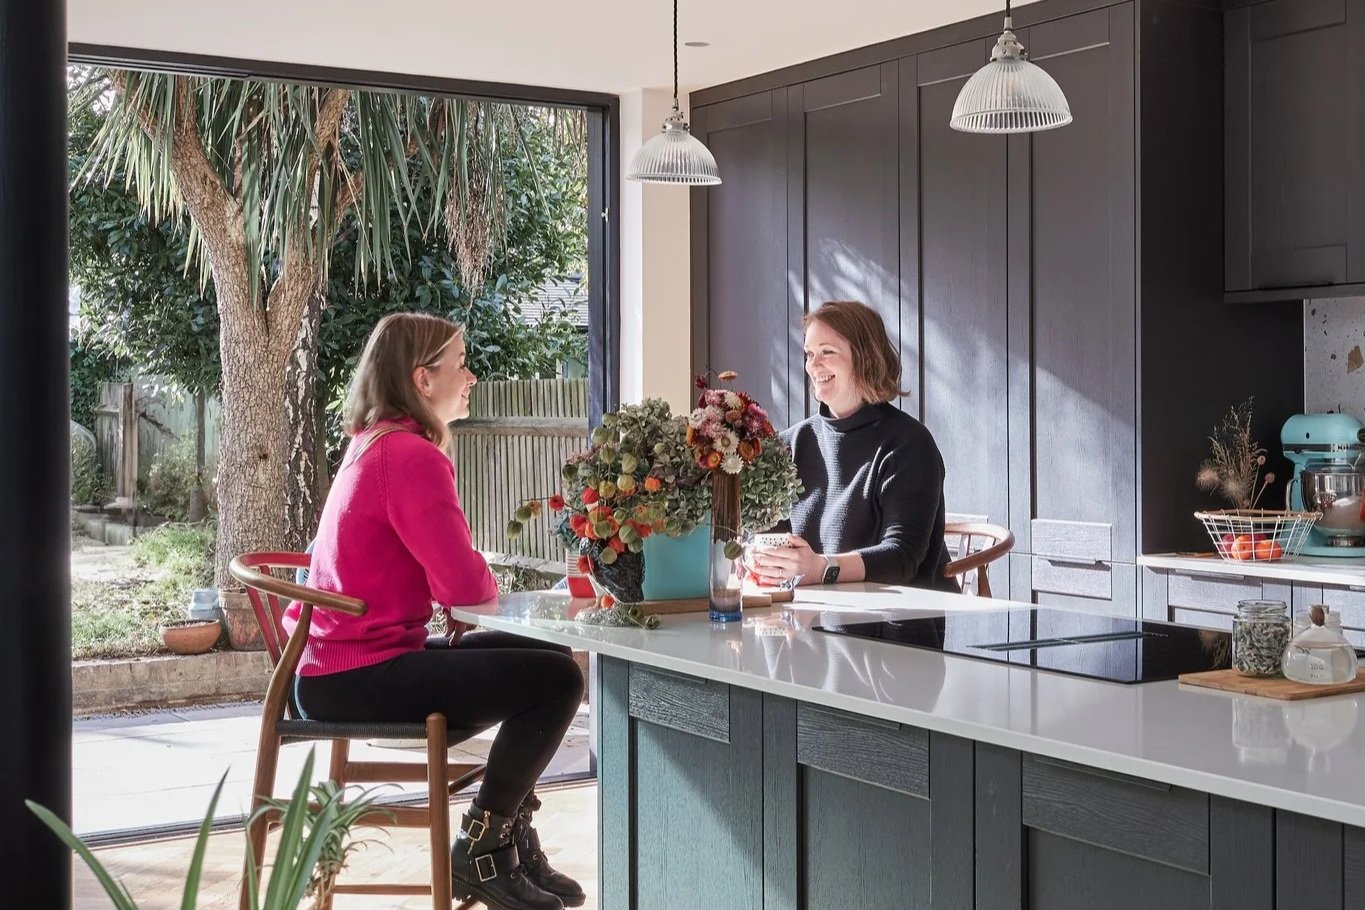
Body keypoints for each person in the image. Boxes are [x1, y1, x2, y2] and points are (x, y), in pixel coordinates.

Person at [283, 313, 584, 910]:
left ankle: (509, 840)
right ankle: (483, 848)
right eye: (460, 365)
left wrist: (460, 591)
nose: (470, 376)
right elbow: (463, 584)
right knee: (558, 679)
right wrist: (471, 584)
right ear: (423, 379)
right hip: (355, 675)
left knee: (545, 655)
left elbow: (445, 581)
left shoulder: (375, 441)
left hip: (340, 665)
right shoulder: (409, 456)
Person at [748, 300, 958, 593]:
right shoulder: (789, 445)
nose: (813, 365)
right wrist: (758, 559)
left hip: (900, 626)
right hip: (810, 622)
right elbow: (766, 535)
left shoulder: (909, 444)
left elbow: (902, 557)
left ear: (865, 359)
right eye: (809, 354)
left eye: (827, 352)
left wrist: (822, 568)